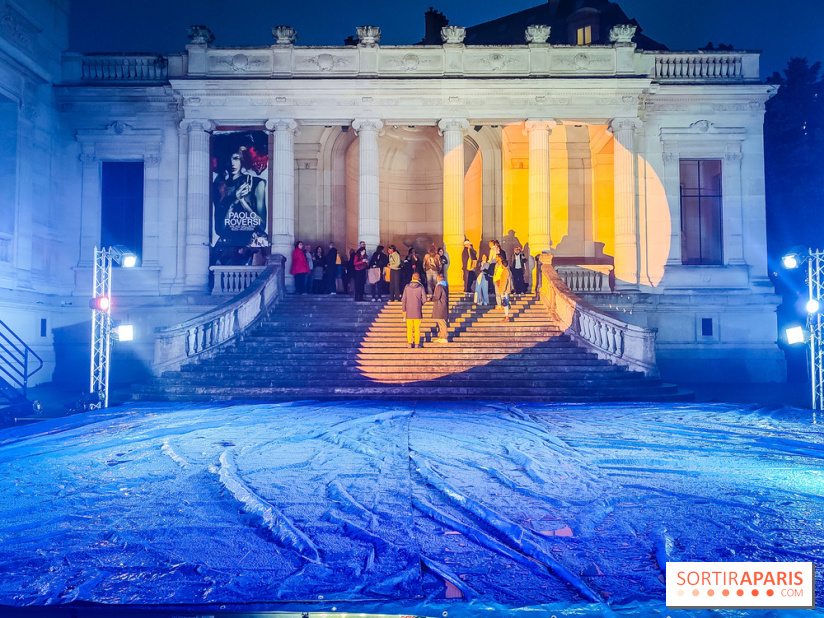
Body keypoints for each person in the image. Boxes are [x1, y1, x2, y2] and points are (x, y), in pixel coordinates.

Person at [212, 146, 267, 248]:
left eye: (236, 158)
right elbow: (220, 229)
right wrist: (234, 201)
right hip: (226, 247)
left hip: (252, 246)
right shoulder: (219, 185)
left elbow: (262, 225)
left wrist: (243, 202)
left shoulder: (257, 183)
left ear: (243, 159)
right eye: (228, 159)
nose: (232, 163)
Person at [401, 272, 427, 348]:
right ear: (418, 279)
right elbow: (425, 299)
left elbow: (404, 299)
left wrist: (404, 310)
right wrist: (420, 303)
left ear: (412, 278)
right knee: (417, 328)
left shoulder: (407, 287)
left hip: (408, 311)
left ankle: (409, 343)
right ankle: (416, 344)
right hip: (417, 311)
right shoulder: (421, 287)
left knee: (409, 328)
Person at [431, 272, 449, 343]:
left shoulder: (439, 286)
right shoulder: (445, 285)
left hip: (440, 306)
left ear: (438, 279)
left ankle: (444, 337)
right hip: (443, 305)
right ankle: (441, 336)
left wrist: (431, 298)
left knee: (442, 322)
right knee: (441, 322)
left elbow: (437, 297)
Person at [496, 257, 513, 322]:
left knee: (505, 304)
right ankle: (506, 316)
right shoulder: (508, 270)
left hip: (505, 290)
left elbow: (504, 282)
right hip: (506, 290)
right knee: (506, 303)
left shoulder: (505, 271)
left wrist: (502, 291)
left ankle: (507, 317)